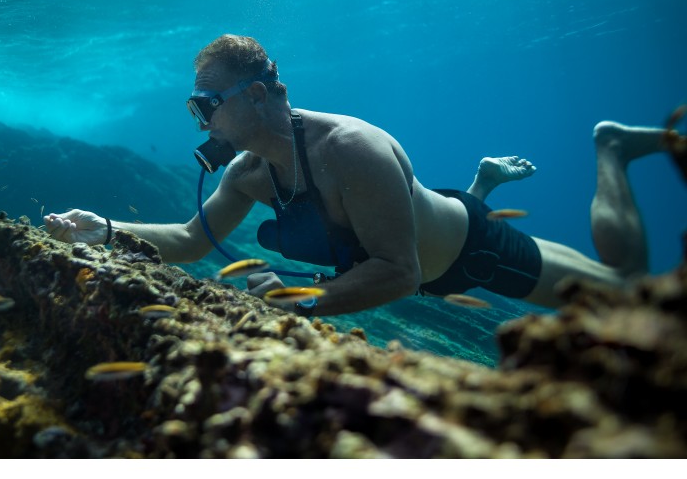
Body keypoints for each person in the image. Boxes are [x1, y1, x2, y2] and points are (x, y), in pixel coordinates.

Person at [45, 34, 667, 316]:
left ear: (260, 96)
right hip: (413, 234)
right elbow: (188, 241)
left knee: (626, 289)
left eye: (208, 103)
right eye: (193, 105)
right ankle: (483, 180)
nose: (198, 117)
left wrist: (299, 302)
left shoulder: (351, 149)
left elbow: (401, 272)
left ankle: (609, 149)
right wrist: (101, 228)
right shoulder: (246, 174)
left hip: (471, 250)